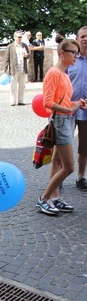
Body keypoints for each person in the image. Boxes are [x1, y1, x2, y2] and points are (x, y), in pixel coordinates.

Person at [36, 39, 86, 216]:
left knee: (57, 161)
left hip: (67, 119)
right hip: (61, 121)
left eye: (77, 53)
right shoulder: (54, 73)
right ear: (62, 53)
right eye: (73, 52)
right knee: (69, 167)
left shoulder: (64, 74)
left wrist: (75, 104)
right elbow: (47, 102)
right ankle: (44, 199)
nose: (76, 56)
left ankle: (54, 198)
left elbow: (61, 100)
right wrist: (69, 108)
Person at [67, 26, 87, 191]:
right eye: (82, 36)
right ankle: (58, 177)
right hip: (67, 109)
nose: (85, 39)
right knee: (63, 144)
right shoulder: (70, 59)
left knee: (84, 146)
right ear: (77, 38)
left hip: (86, 111)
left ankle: (81, 176)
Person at [4, 31, 29, 106]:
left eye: (21, 37)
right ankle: (13, 100)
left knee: (22, 85)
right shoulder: (10, 46)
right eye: (19, 37)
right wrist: (5, 69)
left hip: (23, 68)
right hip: (14, 69)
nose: (20, 38)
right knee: (13, 85)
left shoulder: (24, 45)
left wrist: (27, 55)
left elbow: (28, 55)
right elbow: (6, 58)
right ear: (15, 37)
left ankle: (20, 100)